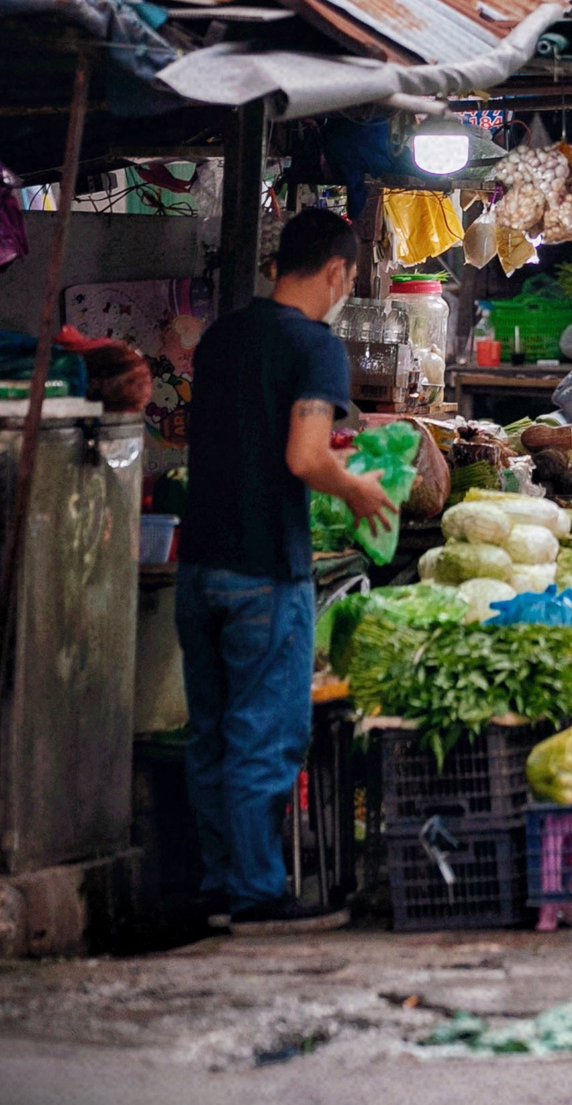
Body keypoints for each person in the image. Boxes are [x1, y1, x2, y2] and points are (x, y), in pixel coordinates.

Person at [177, 209, 393, 936]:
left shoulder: (221, 337)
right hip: (265, 568)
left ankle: (218, 884)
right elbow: (306, 455)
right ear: (337, 271)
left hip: (198, 564)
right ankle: (259, 893)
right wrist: (358, 488)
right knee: (263, 734)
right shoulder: (315, 347)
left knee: (210, 733)